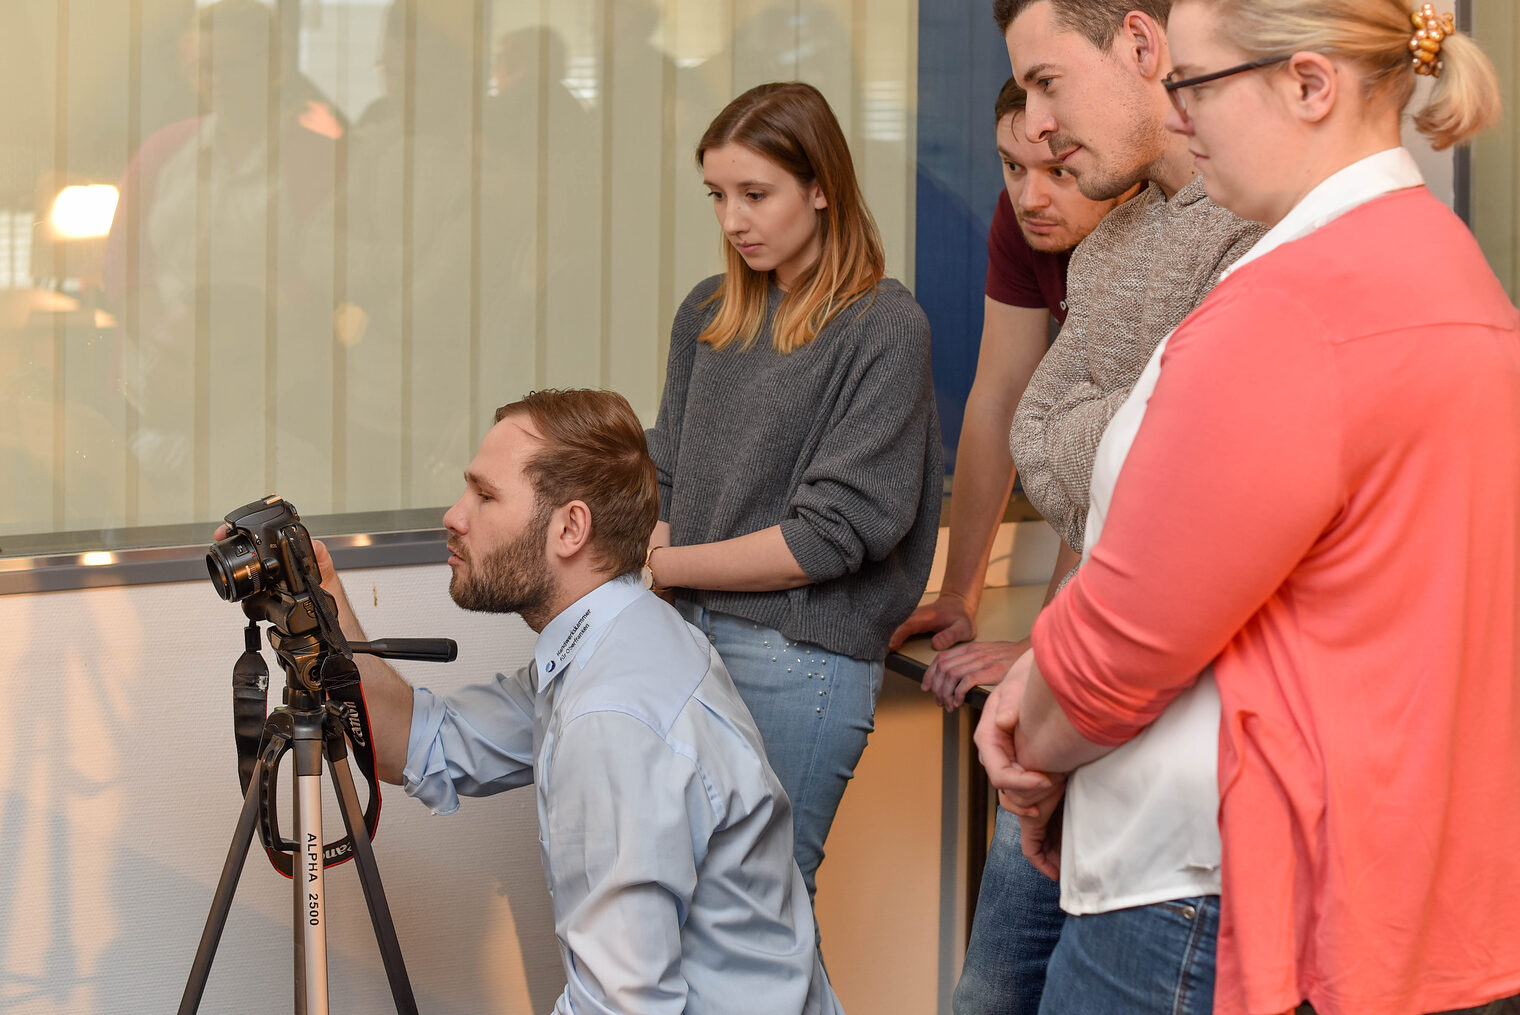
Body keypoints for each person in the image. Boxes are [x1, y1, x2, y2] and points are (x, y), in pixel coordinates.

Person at [980, 2, 1520, 1014]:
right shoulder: (1456, 277)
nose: (1177, 122)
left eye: (1194, 87)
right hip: (1378, 875)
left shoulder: (1286, 309)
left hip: (1193, 889)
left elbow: (1116, 651)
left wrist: (1020, 731)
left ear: (1309, 86)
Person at [305, 388, 843, 1014]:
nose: (455, 515)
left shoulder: (611, 717)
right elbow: (420, 743)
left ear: (569, 528)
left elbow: (621, 1008)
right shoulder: (617, 638)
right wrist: (325, 611)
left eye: (484, 495)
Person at [955, 2, 1267, 1013]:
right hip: (1074, 708)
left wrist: (1123, 422)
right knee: (986, 995)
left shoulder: (1263, 225)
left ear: (1140, 46)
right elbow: (1036, 435)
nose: (1035, 131)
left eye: (1046, 84)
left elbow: (1177, 478)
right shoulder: (1104, 244)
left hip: (1187, 784)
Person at [642, 81, 941, 914]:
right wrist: (664, 578)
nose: (733, 219)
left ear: (820, 187)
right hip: (689, 638)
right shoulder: (708, 311)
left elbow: (829, 538)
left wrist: (665, 566)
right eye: (718, 196)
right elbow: (668, 465)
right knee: (699, 912)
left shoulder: (884, 327)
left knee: (759, 915)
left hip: (796, 660)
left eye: (755, 194)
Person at [890, 77, 1136, 712]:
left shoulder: (1153, 243)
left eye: (1058, 170)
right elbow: (998, 397)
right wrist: (958, 594)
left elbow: (1113, 457)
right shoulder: (1022, 221)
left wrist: (1051, 639)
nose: (1032, 196)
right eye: (1012, 166)